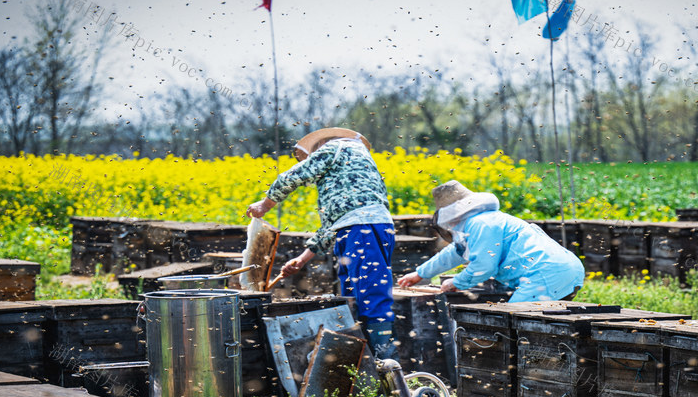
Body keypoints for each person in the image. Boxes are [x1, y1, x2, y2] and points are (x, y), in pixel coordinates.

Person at [247, 127, 399, 360]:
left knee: (371, 297)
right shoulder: (349, 169)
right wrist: (301, 260)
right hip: (357, 229)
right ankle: (363, 364)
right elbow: (331, 226)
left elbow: (296, 174)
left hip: (362, 230)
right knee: (353, 297)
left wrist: (265, 204)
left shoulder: (336, 146)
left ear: (321, 145)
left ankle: (385, 365)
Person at [397, 180, 584, 302]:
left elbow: (483, 267)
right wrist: (420, 273)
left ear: (451, 213)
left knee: (515, 323)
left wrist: (456, 282)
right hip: (561, 270)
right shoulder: (482, 222)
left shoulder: (481, 224)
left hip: (545, 274)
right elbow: (455, 253)